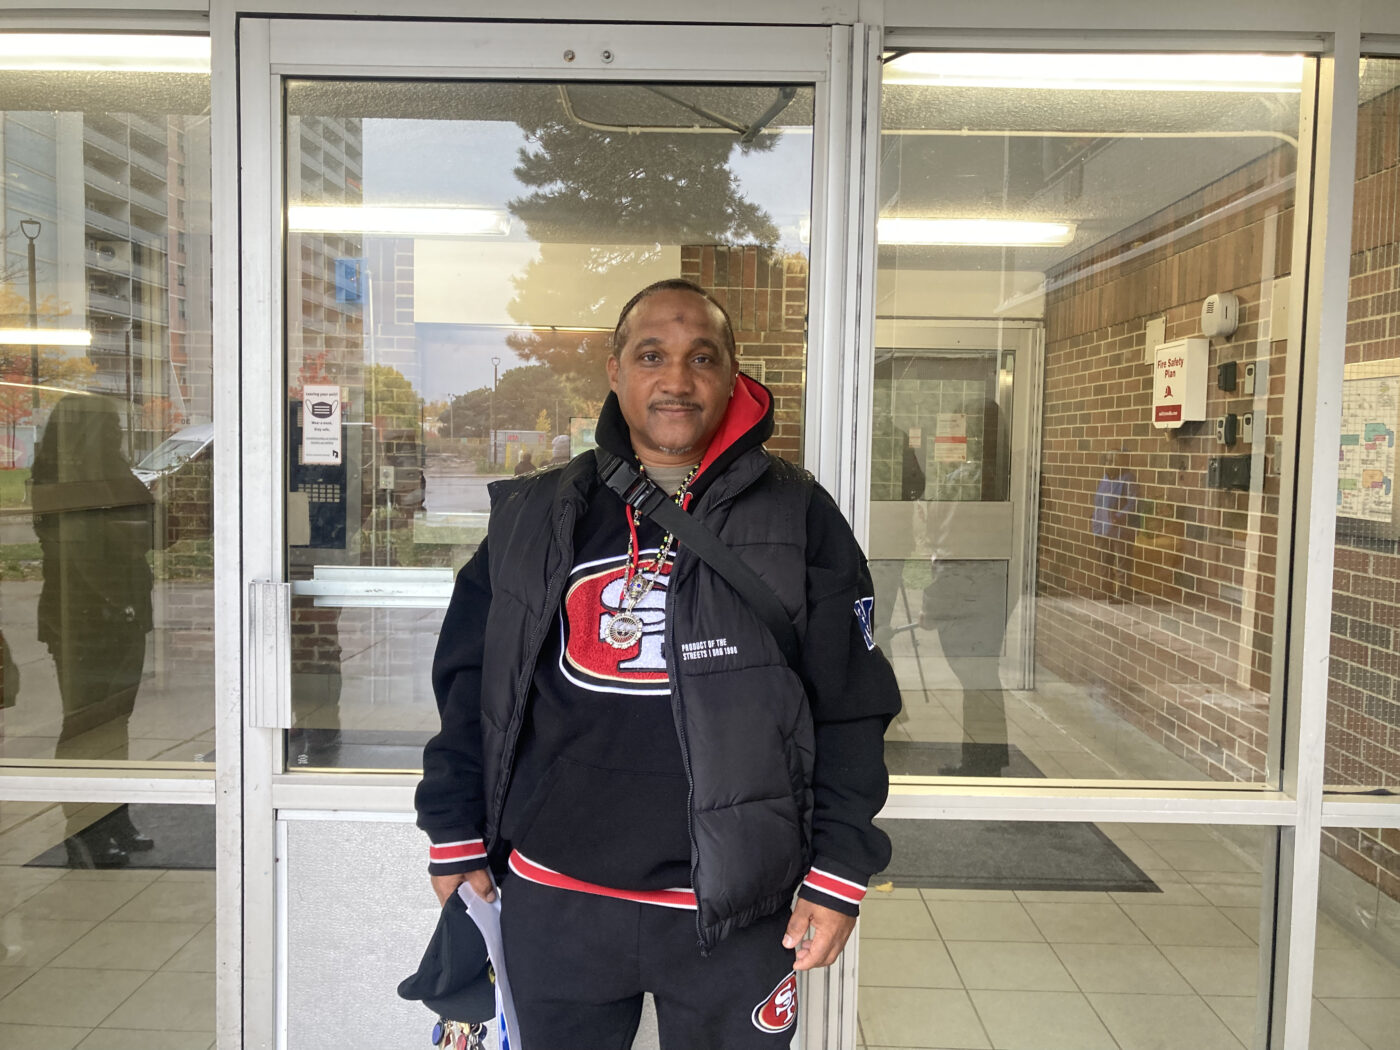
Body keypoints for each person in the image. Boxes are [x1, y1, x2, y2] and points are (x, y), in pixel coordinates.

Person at [415, 278, 901, 1048]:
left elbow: (850, 705)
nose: (677, 379)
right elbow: (473, 682)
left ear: (733, 373)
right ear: (615, 370)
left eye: (701, 356)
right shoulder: (538, 514)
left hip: (737, 910)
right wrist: (453, 825)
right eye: (652, 355)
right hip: (555, 894)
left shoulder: (800, 516)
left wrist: (840, 869)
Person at [32, 394, 156, 866]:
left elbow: (149, 521)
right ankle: (82, 826)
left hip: (120, 615)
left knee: (113, 724)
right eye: (109, 426)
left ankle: (112, 817)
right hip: (85, 620)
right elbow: (79, 555)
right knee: (85, 726)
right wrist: (118, 603)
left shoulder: (109, 472)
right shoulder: (66, 481)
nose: (118, 433)